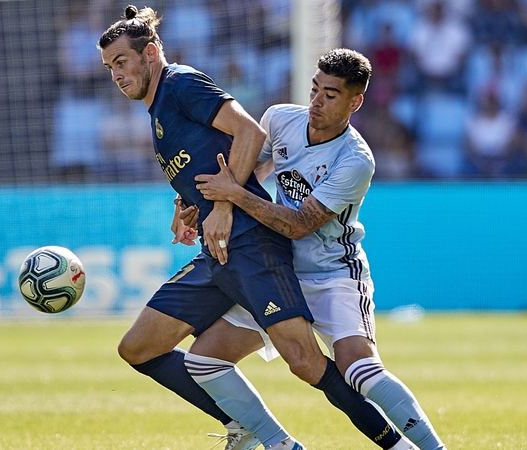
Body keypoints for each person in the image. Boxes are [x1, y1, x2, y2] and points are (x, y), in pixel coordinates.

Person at [98, 6, 414, 450]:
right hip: (219, 249)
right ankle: (264, 437)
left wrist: (225, 205)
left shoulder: (180, 83)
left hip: (249, 242)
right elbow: (214, 160)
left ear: (150, 52)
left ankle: (397, 445)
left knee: (307, 363)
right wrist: (187, 204)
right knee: (139, 347)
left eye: (122, 62)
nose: (116, 74)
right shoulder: (157, 109)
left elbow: (247, 133)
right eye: (110, 66)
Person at [192, 48, 447, 449]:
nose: (316, 101)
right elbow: (239, 172)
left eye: (330, 94)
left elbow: (296, 226)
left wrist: (234, 197)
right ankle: (268, 440)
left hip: (333, 274)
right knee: (204, 360)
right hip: (279, 272)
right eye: (314, 89)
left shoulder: (356, 160)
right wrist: (200, 204)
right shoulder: (279, 119)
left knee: (359, 371)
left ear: (354, 102)